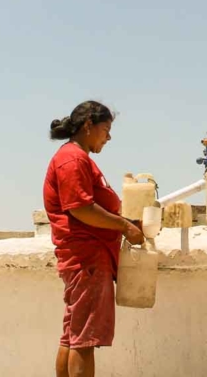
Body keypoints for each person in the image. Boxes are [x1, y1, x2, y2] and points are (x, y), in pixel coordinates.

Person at [43, 100, 144, 377]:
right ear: (88, 126)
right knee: (84, 341)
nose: (108, 137)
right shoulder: (72, 159)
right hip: (86, 257)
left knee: (73, 337)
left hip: (82, 259)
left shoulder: (77, 158)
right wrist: (125, 227)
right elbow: (81, 209)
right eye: (105, 129)